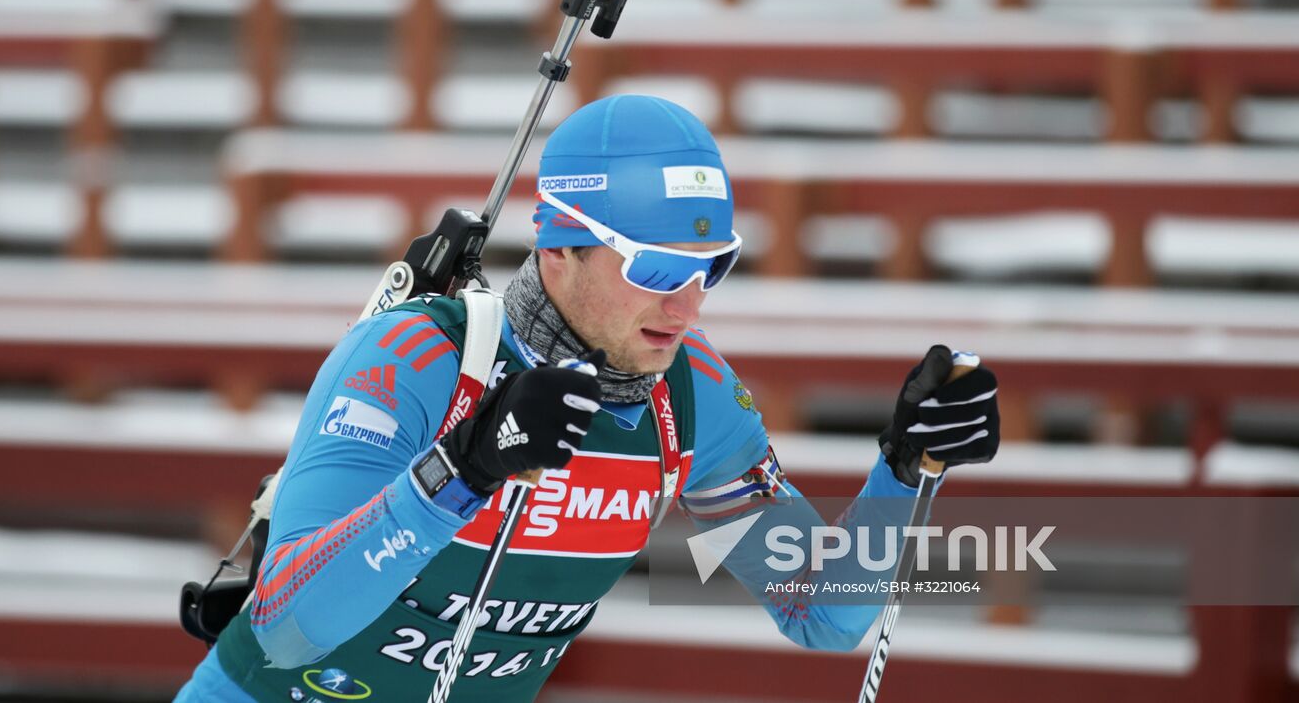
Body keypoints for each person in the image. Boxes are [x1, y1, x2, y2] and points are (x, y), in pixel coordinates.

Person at [174, 94, 1000, 702]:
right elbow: (285, 626)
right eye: (656, 268)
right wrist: (462, 470)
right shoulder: (421, 357)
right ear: (560, 246)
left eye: (712, 267)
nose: (687, 304)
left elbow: (824, 614)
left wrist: (901, 470)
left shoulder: (690, 395)